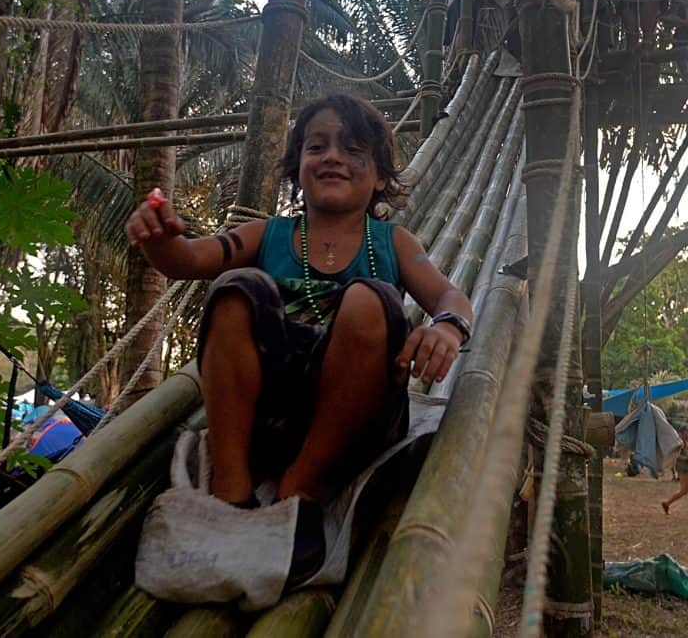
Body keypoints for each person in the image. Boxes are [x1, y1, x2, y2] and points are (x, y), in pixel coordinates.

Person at [124, 94, 473, 584]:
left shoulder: (392, 242)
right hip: (270, 416)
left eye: (353, 149)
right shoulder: (265, 235)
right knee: (233, 290)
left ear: (378, 178)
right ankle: (231, 486)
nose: (332, 156)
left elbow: (449, 296)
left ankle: (302, 493)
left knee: (370, 300)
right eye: (317, 146)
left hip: (356, 419)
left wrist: (447, 327)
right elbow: (188, 261)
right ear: (299, 168)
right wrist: (160, 239)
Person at [662, 425, 688, 514]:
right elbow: (674, 455)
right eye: (687, 431)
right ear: (682, 433)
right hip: (683, 469)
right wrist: (686, 459)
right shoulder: (679, 443)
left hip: (686, 469)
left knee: (683, 491)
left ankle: (667, 503)